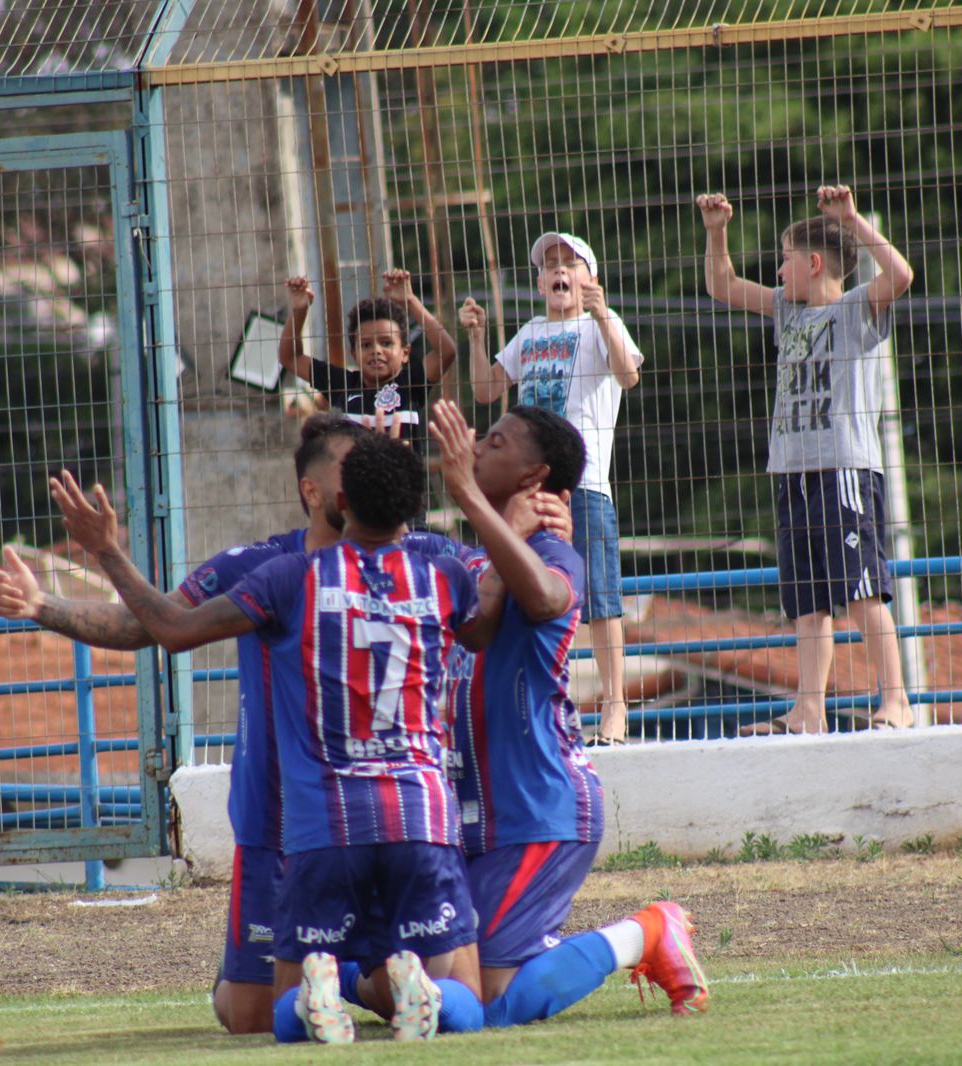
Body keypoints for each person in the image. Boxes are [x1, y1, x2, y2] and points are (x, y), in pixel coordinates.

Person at [46, 434, 494, 1044]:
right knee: (466, 999)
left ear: (340, 496)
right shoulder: (445, 577)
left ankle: (319, 996)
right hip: (421, 814)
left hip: (323, 826)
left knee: (286, 1017)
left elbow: (173, 629)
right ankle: (422, 988)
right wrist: (491, 504)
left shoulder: (289, 578)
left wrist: (106, 551)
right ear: (416, 503)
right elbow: (495, 619)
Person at [0, 413, 373, 1036]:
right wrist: (44, 606)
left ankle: (353, 973)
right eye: (349, 468)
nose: (364, 478)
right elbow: (156, 623)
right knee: (246, 1017)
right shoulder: (264, 566)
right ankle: (338, 973)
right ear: (312, 490)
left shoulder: (407, 557)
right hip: (274, 818)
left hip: (373, 813)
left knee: (411, 985)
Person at [430, 398, 710, 1024]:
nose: (476, 446)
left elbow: (547, 596)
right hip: (473, 817)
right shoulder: (463, 561)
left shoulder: (558, 556)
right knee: (441, 977)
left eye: (496, 443)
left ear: (535, 479)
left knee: (494, 1002)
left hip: (538, 806)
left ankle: (646, 931)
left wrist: (467, 496)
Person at [697, 185, 916, 734]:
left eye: (784, 260)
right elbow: (721, 285)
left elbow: (902, 277)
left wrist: (852, 220)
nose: (776, 272)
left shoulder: (854, 308)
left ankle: (896, 701)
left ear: (814, 262)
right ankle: (808, 711)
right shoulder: (785, 312)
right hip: (790, 473)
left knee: (862, 588)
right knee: (808, 602)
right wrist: (716, 231)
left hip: (842, 469)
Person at [461, 232, 643, 746]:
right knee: (528, 593)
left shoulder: (598, 327)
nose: (559, 271)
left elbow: (628, 375)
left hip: (583, 484)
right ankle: (543, 699)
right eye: (550, 265)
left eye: (571, 263)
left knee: (602, 598)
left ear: (590, 279)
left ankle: (615, 706)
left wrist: (604, 314)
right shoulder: (529, 332)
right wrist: (476, 339)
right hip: (525, 491)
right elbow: (485, 390)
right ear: (540, 282)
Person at [278, 269, 457, 445]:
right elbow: (290, 357)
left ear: (405, 353)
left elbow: (446, 351)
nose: (376, 350)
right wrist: (299, 311)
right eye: (366, 345)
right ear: (354, 355)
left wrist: (411, 301)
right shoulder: (343, 384)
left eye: (386, 343)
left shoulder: (411, 384)